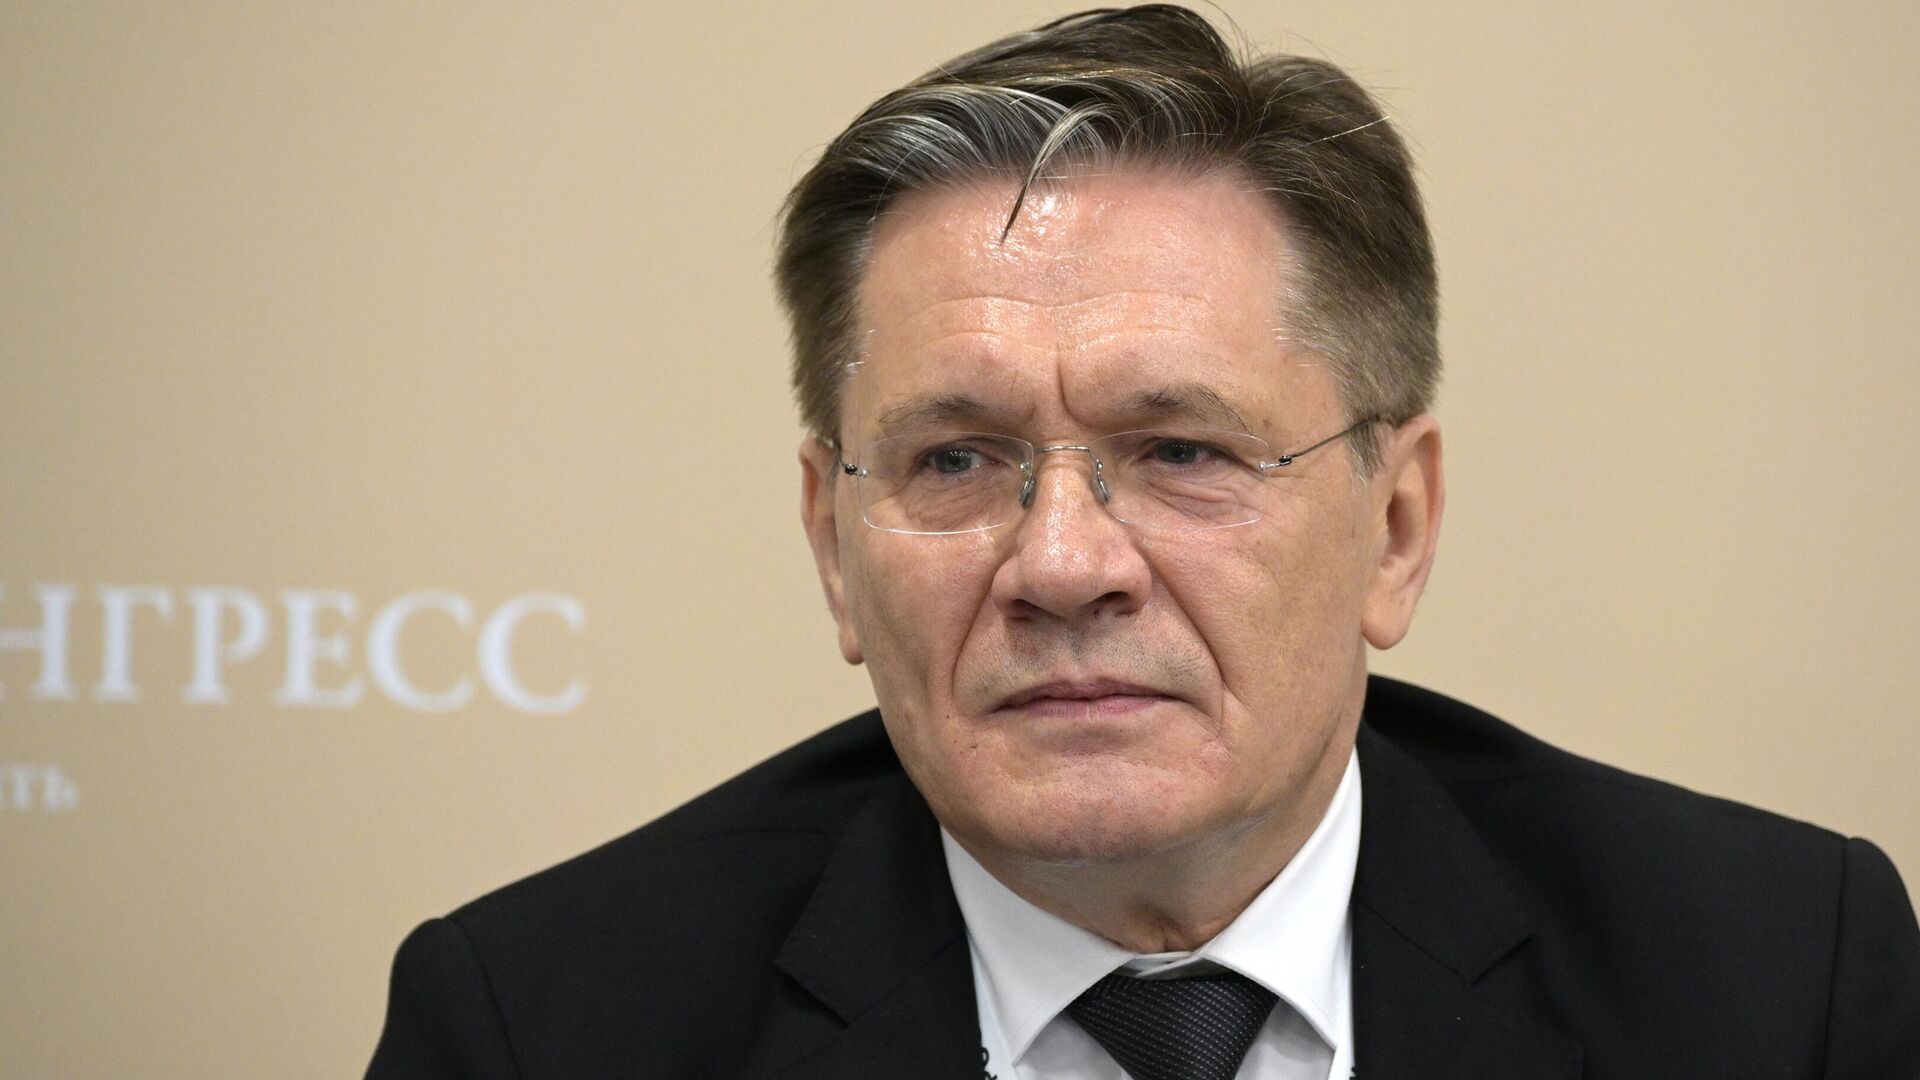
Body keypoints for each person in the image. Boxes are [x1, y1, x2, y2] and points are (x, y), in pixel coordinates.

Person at [366, 7, 1919, 1077]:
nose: (1061, 565)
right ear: (835, 549)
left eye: (1182, 453)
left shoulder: (1775, 982)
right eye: (955, 459)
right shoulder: (542, 1030)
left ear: (1395, 528)